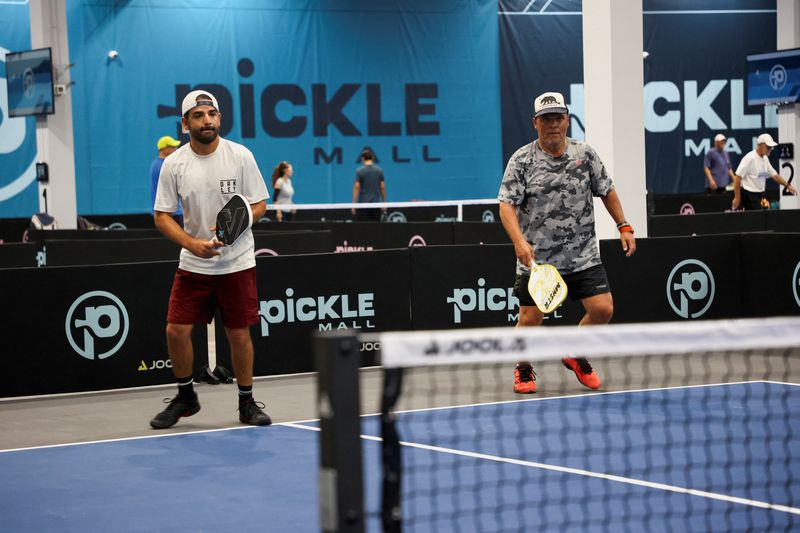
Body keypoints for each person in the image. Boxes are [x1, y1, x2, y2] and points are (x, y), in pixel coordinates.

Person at [498, 91, 636, 394]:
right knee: (530, 320)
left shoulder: (585, 154)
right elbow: (506, 205)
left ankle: (575, 353)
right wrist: (519, 243)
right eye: (546, 119)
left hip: (583, 254)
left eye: (558, 118)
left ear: (567, 120)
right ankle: (523, 369)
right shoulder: (521, 160)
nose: (553, 124)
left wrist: (624, 225)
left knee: (603, 309)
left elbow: (607, 190)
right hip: (536, 259)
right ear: (535, 123)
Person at [151, 90, 271, 428]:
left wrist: (238, 226)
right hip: (194, 263)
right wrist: (191, 243)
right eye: (199, 115)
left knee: (238, 334)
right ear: (185, 123)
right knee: (176, 331)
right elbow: (161, 215)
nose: (207, 120)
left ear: (219, 118)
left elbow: (260, 203)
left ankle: (246, 402)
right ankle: (186, 397)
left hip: (237, 262)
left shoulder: (240, 155)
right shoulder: (173, 163)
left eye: (212, 114)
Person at [733, 133, 797, 210]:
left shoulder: (765, 159)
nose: (770, 149)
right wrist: (737, 197)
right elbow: (737, 177)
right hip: (749, 195)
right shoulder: (749, 158)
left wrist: (787, 186)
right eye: (768, 147)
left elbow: (775, 176)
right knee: (758, 217)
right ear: (760, 145)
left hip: (760, 194)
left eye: (771, 147)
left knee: (761, 218)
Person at [149, 135, 183, 224]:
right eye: (172, 147)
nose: (176, 149)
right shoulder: (165, 165)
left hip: (165, 212)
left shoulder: (156, 163)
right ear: (164, 149)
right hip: (170, 213)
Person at [351, 149, 386, 220]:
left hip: (363, 206)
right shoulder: (379, 170)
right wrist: (384, 203)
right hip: (376, 205)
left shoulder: (359, 171)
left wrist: (353, 205)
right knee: (375, 228)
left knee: (363, 229)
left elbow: (356, 187)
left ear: (362, 159)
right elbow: (382, 187)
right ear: (372, 158)